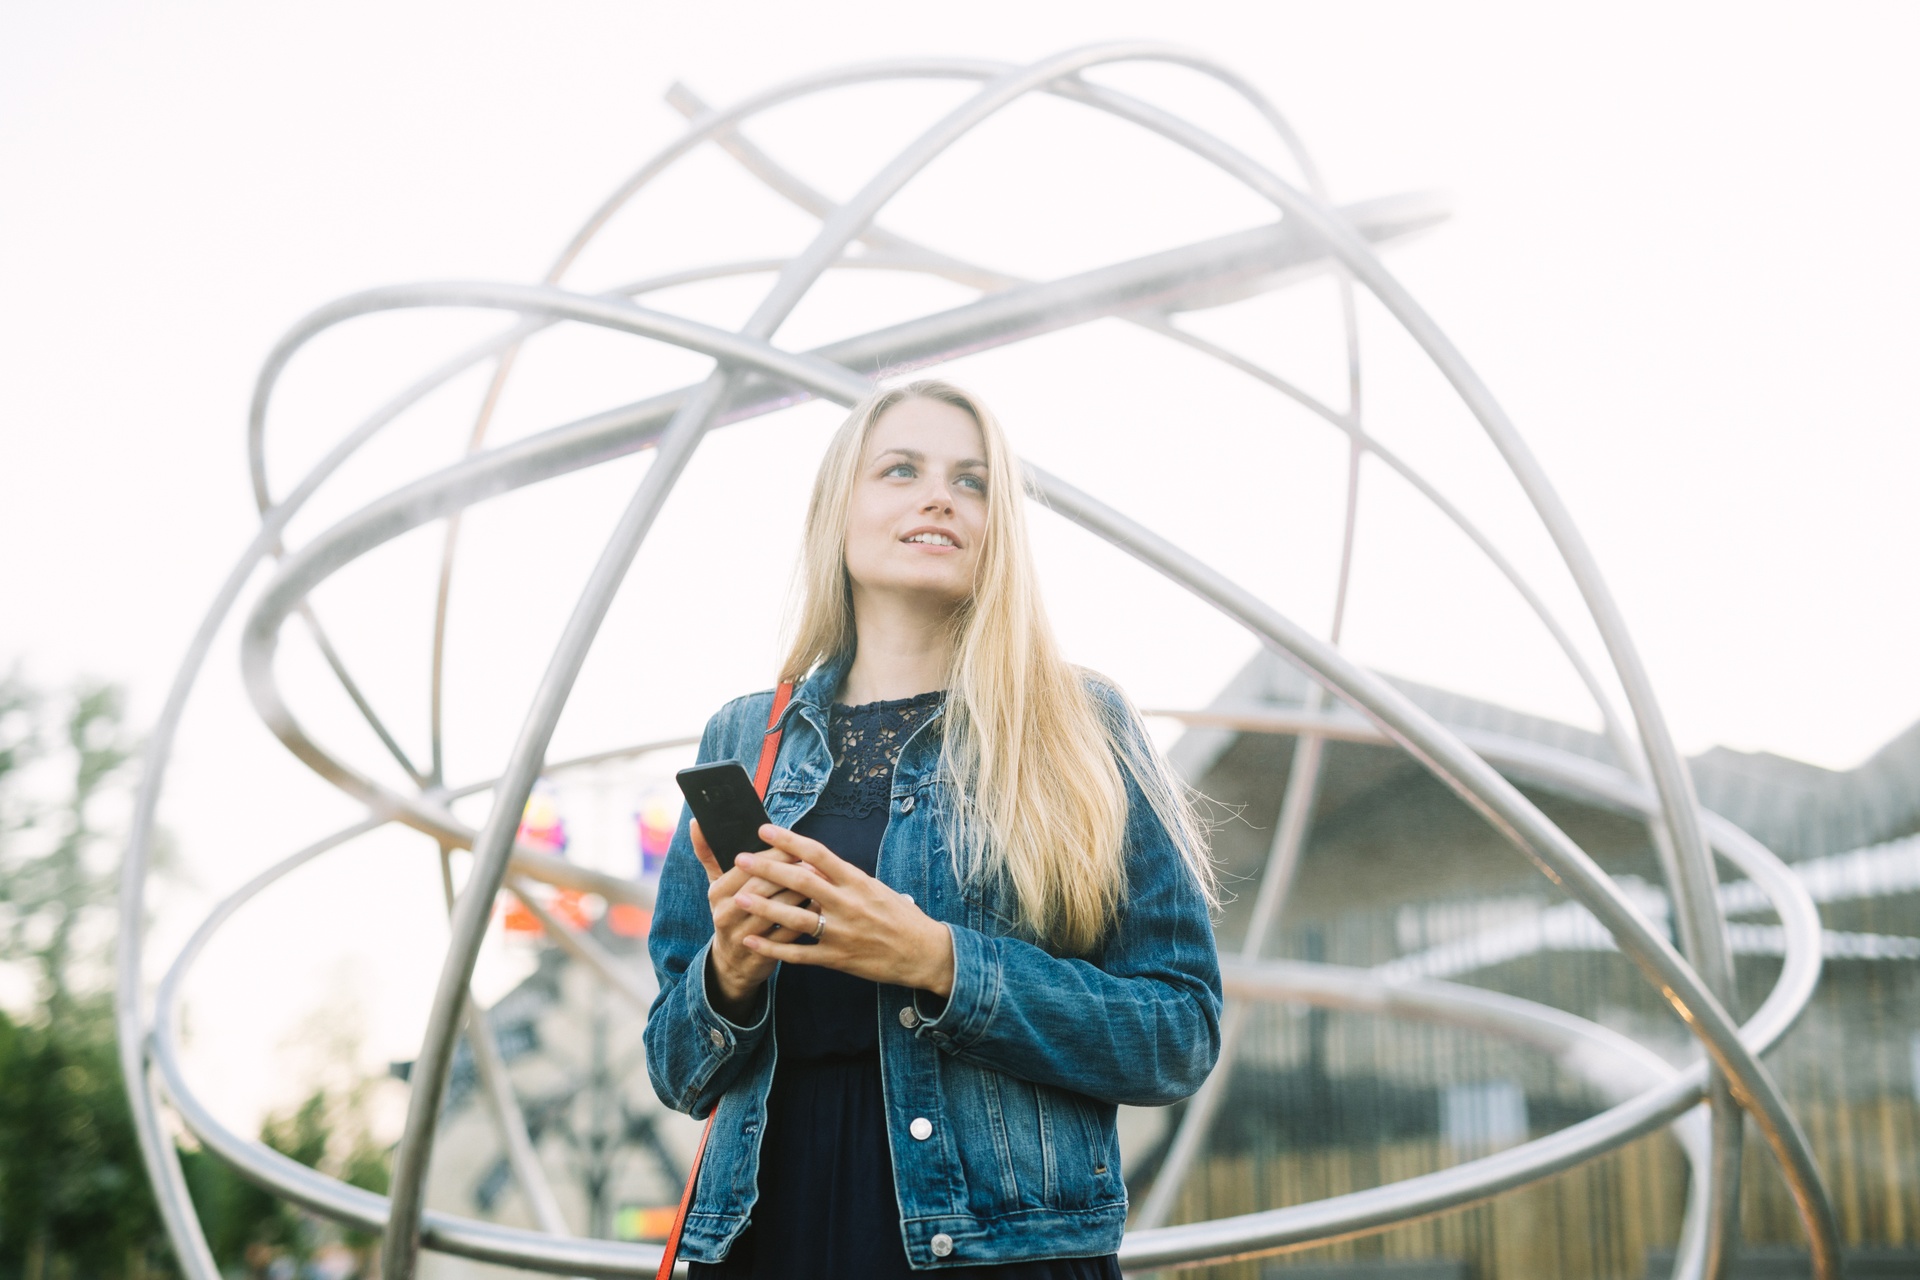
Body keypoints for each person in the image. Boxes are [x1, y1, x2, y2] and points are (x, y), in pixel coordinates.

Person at [645, 380, 1222, 1277]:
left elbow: (1178, 1034)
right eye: (901, 470)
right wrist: (730, 973)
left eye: (974, 481)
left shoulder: (1082, 724)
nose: (939, 496)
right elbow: (675, 1070)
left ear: (1001, 528)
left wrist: (940, 962)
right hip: (771, 1235)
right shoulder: (744, 736)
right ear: (839, 509)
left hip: (1004, 1253)